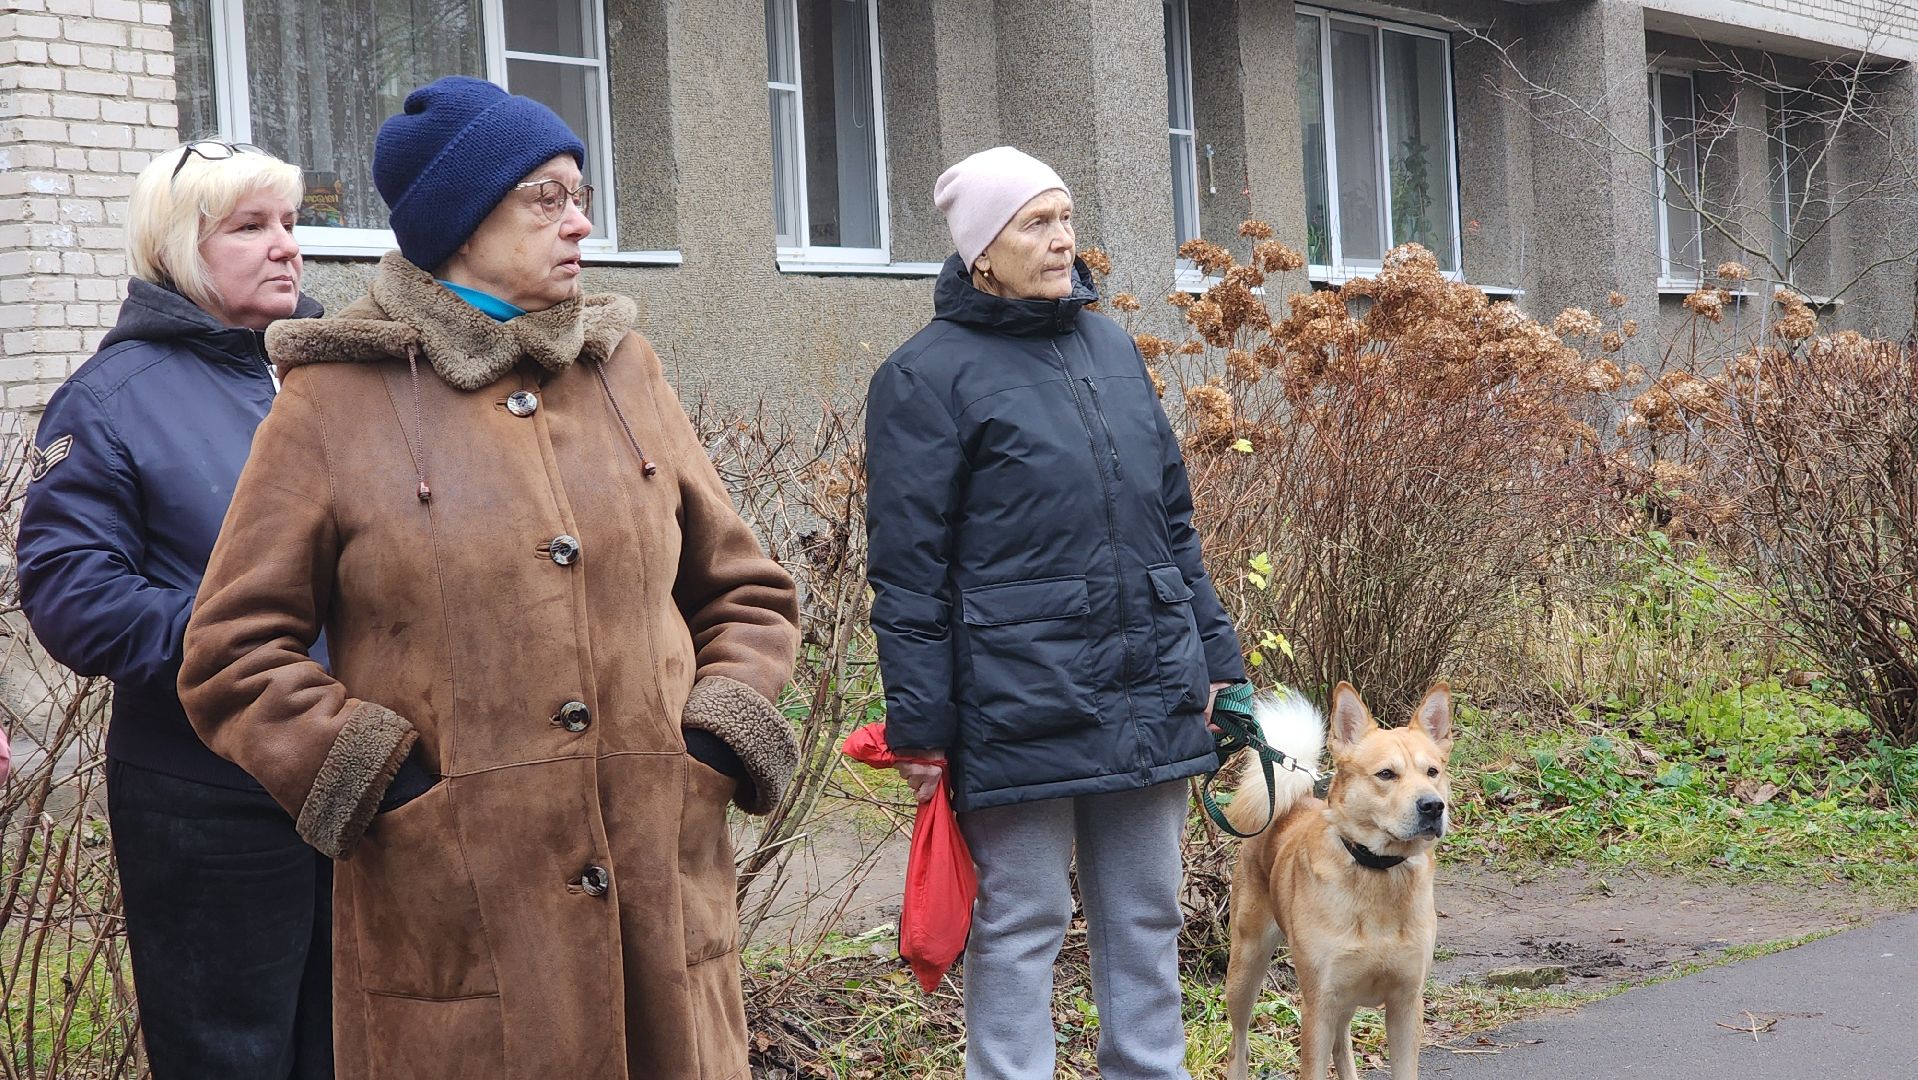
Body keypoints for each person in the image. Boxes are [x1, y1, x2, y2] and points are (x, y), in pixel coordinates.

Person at [177, 76, 800, 1080]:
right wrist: (386, 784)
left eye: (580, 194)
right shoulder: (334, 401)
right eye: (545, 197)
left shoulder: (622, 372)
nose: (580, 221)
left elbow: (747, 591)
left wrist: (713, 736)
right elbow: (233, 654)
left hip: (660, 883)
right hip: (457, 909)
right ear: (462, 217)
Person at [864, 146, 1246, 1080]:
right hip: (1016, 699)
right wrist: (923, 728)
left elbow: (1172, 523)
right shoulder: (923, 376)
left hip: (1149, 679)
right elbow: (909, 575)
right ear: (980, 250)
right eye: (1036, 222)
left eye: (1066, 217)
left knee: (1145, 915)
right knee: (1022, 922)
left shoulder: (1111, 346)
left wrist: (1219, 660)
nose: (1063, 238)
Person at [16, 141, 333, 1078]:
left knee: (355, 1045)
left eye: (289, 224)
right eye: (250, 228)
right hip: (212, 796)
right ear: (179, 251)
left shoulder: (330, 382)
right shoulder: (109, 402)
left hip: (358, 772)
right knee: (232, 1057)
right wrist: (244, 653)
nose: (285, 247)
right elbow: (75, 596)